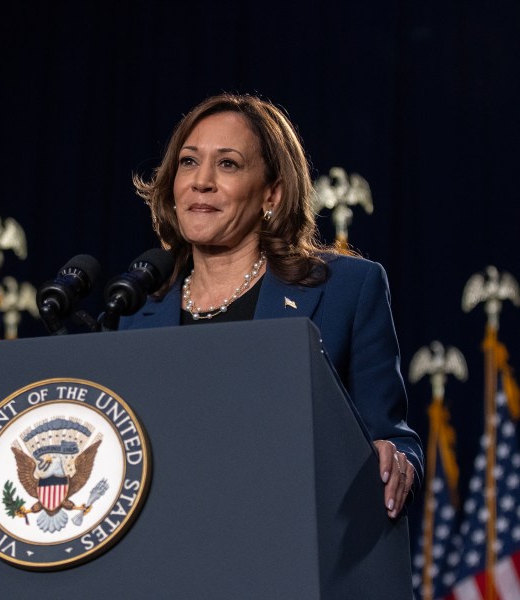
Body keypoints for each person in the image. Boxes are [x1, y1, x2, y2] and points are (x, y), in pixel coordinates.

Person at [119, 92, 422, 519]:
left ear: (272, 194)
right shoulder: (134, 316)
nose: (200, 180)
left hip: (290, 538)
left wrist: (399, 461)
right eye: (188, 161)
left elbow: (391, 437)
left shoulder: (347, 290)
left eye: (228, 164)